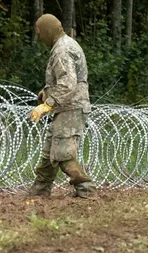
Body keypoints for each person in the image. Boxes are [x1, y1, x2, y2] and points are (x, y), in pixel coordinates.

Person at [28, 14, 95, 198]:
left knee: (63, 153)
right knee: (50, 150)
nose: (39, 37)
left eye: (40, 32)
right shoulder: (64, 44)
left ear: (48, 30)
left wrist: (47, 105)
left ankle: (86, 189)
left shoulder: (62, 51)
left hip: (71, 107)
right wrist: (46, 92)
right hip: (67, 106)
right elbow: (64, 80)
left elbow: (67, 83)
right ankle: (40, 190)